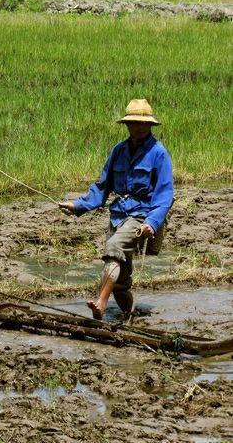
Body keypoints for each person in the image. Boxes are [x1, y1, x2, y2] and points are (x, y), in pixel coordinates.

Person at [58, 99, 174, 320]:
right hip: (118, 216)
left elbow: (164, 193)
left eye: (143, 123)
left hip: (141, 216)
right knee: (120, 283)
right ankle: (129, 316)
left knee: (112, 247)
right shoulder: (118, 151)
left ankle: (100, 303)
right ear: (127, 125)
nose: (139, 127)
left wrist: (152, 222)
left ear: (150, 126)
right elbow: (103, 186)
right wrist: (76, 205)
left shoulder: (159, 153)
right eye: (134, 123)